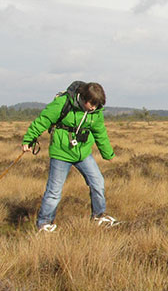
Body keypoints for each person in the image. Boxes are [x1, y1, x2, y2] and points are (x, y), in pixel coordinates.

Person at [21, 81, 117, 232]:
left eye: (97, 105)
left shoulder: (95, 112)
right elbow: (43, 120)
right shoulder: (63, 102)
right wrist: (28, 140)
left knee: (98, 183)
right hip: (61, 153)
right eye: (92, 103)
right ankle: (44, 224)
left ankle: (99, 217)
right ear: (83, 97)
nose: (94, 107)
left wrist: (108, 153)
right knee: (54, 191)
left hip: (83, 153)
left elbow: (100, 133)